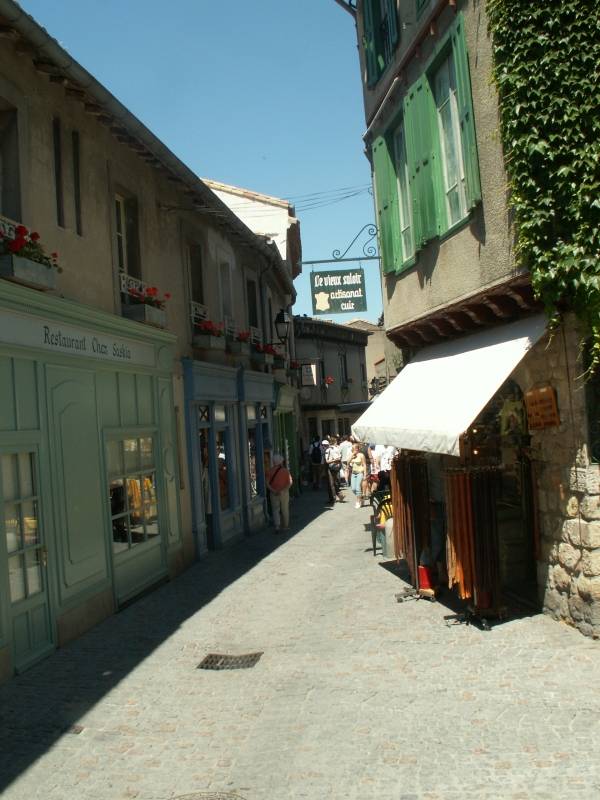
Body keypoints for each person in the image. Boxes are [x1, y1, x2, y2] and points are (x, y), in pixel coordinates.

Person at [267, 454, 293, 533]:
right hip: (284, 493)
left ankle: (277, 526)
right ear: (281, 462)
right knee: (285, 509)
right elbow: (290, 482)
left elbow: (267, 483)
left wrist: (273, 490)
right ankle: (285, 526)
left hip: (273, 493)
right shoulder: (285, 471)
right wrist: (284, 490)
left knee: (275, 509)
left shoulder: (270, 471)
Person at [325, 437, 344, 503]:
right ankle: (339, 495)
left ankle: (333, 498)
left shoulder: (328, 450)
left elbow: (327, 461)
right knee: (335, 481)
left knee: (331, 483)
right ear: (335, 442)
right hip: (337, 467)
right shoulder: (337, 448)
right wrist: (337, 460)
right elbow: (340, 457)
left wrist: (333, 460)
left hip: (331, 467)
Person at [349, 443, 367, 509]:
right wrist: (351, 456)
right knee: (353, 489)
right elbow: (347, 463)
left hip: (360, 473)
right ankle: (362, 498)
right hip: (353, 473)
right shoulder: (352, 455)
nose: (354, 450)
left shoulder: (361, 455)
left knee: (357, 488)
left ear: (358, 449)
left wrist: (365, 474)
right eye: (353, 449)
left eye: (355, 448)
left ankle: (358, 501)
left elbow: (364, 465)